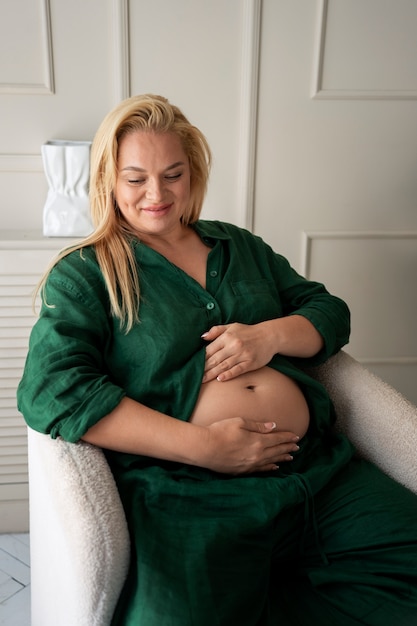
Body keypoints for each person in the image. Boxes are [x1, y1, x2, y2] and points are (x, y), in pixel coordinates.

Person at [17, 94, 417, 626]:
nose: (156, 194)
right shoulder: (85, 273)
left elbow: (329, 311)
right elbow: (52, 389)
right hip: (186, 492)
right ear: (109, 181)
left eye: (172, 174)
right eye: (135, 178)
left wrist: (269, 337)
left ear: (194, 174)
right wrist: (205, 447)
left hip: (317, 472)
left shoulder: (240, 247)